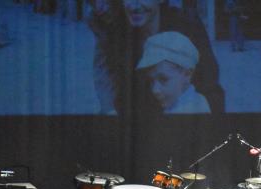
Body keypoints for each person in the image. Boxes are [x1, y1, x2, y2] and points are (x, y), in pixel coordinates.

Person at [86, 0, 223, 115]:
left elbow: (209, 85)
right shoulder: (118, 34)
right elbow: (109, 80)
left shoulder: (187, 25)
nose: (134, 6)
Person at [136, 31, 211, 114]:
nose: (155, 90)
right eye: (151, 81)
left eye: (163, 79)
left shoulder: (190, 111)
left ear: (187, 74)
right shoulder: (178, 105)